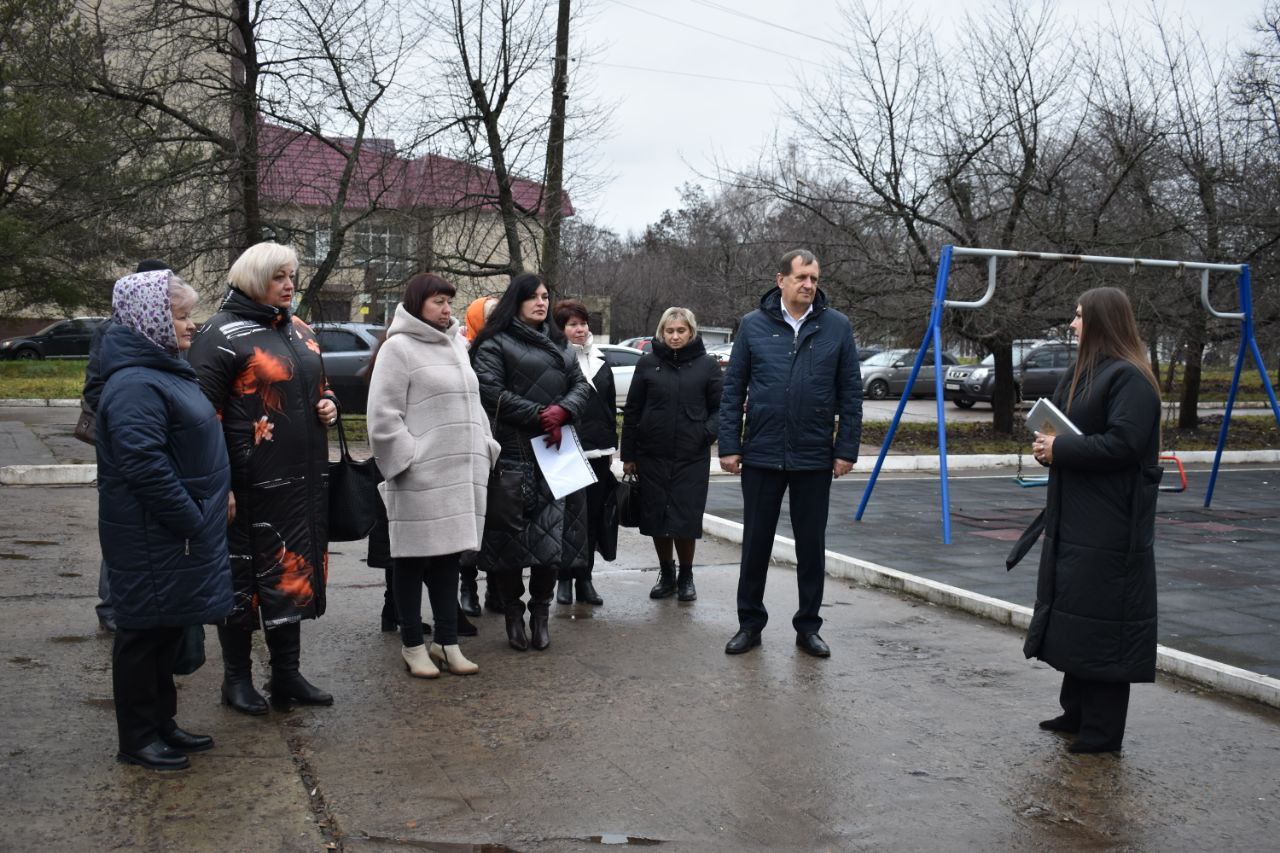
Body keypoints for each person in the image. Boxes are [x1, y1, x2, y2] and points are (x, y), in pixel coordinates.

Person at [188, 241, 336, 713]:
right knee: (242, 580)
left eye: (292, 275)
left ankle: (287, 675)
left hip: (301, 483)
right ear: (254, 279)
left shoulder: (299, 328)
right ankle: (236, 679)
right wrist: (219, 486)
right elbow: (200, 417)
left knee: (292, 574)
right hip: (247, 484)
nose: (290, 284)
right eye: (278, 277)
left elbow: (319, 385)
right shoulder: (219, 334)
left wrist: (329, 404)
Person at [96, 269, 232, 770]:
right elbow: (143, 464)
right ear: (150, 319)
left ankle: (162, 724)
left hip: (174, 533)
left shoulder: (163, 369)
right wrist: (192, 517)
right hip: (155, 532)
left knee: (166, 626)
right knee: (142, 635)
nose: (191, 324)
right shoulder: (135, 383)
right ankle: (137, 738)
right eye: (181, 316)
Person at [1017, 287, 1162, 754]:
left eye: (1080, 316)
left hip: (1110, 524)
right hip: (1076, 516)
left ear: (1102, 322)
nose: (1073, 324)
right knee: (1076, 618)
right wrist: (1047, 449)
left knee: (1103, 624)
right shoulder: (1083, 372)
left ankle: (1102, 731)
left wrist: (1061, 448)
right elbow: (1071, 433)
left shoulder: (1130, 379)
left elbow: (1124, 444)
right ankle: (1076, 712)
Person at [718, 249, 863, 658]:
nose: (809, 285)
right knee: (756, 544)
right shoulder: (753, 324)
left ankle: (808, 627)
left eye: (814, 278)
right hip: (762, 453)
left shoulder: (837, 326)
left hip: (814, 455)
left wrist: (846, 449)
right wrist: (729, 445)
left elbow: (851, 394)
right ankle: (750, 625)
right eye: (801, 277)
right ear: (780, 280)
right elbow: (733, 390)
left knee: (811, 547)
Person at [368, 273, 498, 677]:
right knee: (410, 561)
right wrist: (408, 461)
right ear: (417, 303)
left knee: (448, 561)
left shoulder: (457, 345)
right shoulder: (398, 348)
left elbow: (473, 403)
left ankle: (446, 641)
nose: (446, 309)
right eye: (438, 301)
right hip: (419, 476)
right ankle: (412, 645)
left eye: (449, 302)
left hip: (459, 473)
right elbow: (383, 416)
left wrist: (485, 446)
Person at [471, 273, 591, 651]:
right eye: (533, 297)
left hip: (556, 454)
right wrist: (542, 415)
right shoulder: (494, 342)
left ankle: (540, 614)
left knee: (550, 545)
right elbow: (491, 392)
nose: (541, 303)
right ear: (516, 301)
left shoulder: (560, 342)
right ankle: (512, 613)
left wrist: (563, 411)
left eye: (545, 296)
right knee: (508, 544)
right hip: (513, 454)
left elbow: (581, 386)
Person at [83, 258, 171, 633]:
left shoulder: (166, 327)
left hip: (159, 442)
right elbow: (94, 388)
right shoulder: (112, 331)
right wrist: (130, 421)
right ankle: (111, 610)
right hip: (124, 444)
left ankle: (152, 606)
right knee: (123, 524)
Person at [621, 306, 723, 602]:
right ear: (661, 332)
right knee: (657, 517)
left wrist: (705, 434)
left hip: (692, 457)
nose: (675, 336)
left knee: (685, 518)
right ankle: (666, 573)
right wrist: (629, 455)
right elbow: (633, 410)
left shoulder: (707, 365)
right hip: (652, 455)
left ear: (691, 332)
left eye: (681, 331)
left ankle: (686, 576)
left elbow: (720, 409)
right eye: (669, 331)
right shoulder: (647, 363)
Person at [553, 299, 618, 606]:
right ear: (560, 329)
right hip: (566, 448)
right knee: (567, 520)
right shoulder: (554, 359)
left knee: (592, 518)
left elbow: (609, 406)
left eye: (582, 323)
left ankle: (585, 580)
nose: (580, 329)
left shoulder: (601, 360)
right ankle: (563, 579)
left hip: (598, 452)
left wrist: (611, 447)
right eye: (572, 325)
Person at [459, 294, 500, 617]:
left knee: (502, 518)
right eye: (489, 316)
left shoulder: (510, 347)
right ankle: (468, 585)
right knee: (471, 522)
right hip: (472, 442)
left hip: (505, 440)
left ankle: (497, 587)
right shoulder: (461, 351)